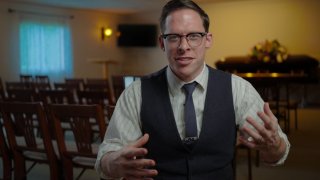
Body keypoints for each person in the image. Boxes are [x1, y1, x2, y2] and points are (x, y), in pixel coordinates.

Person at [95, 0, 290, 179]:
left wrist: (274, 146)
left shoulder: (238, 89)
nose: (183, 46)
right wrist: (112, 163)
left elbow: (277, 154)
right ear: (162, 43)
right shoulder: (136, 93)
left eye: (194, 36)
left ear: (208, 40)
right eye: (173, 37)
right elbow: (106, 158)